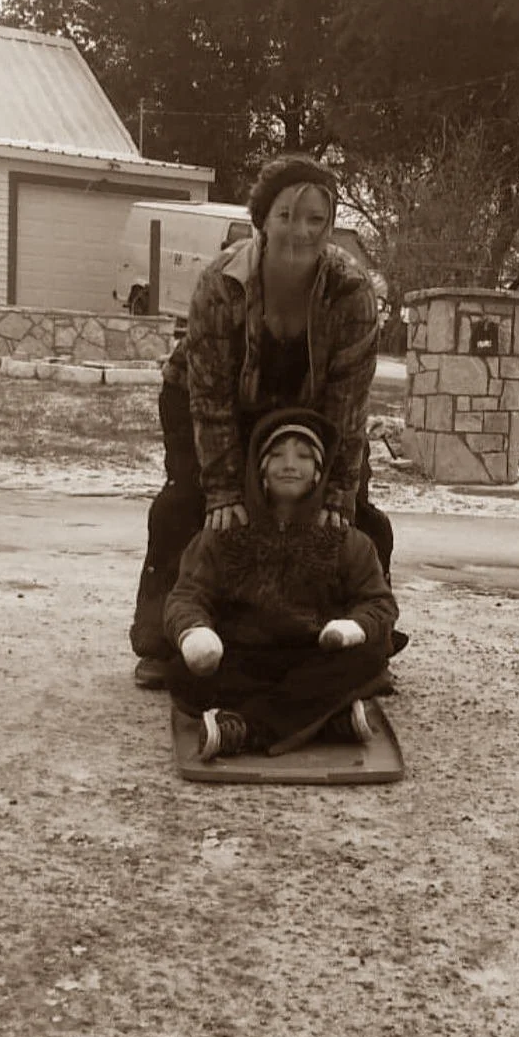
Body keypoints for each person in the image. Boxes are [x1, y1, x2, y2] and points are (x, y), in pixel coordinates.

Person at [129, 153, 394, 686]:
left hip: (310, 414)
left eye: (316, 219)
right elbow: (210, 395)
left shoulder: (353, 293)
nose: (302, 232)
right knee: (186, 506)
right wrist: (224, 488)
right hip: (205, 402)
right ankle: (165, 641)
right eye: (287, 216)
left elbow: (347, 405)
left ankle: (364, 648)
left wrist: (339, 494)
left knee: (357, 519)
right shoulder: (221, 282)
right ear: (262, 220)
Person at [164, 409, 402, 759]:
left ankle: (245, 729)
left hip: (314, 658)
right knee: (180, 675)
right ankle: (327, 720)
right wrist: (195, 632)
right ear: (259, 468)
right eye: (277, 455)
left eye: (304, 456)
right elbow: (186, 596)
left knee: (367, 658)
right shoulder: (225, 530)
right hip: (245, 657)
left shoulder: (345, 538)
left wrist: (354, 627)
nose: (290, 464)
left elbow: (380, 604)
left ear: (319, 472)